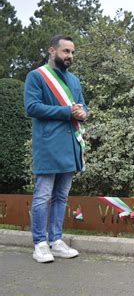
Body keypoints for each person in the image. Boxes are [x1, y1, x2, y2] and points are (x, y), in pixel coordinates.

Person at [24, 35, 87, 263]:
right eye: (65, 51)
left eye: (72, 52)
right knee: (43, 196)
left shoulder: (75, 81)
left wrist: (83, 113)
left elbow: (82, 106)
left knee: (61, 196)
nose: (69, 56)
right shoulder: (36, 76)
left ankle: (56, 241)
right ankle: (40, 244)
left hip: (70, 146)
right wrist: (66, 112)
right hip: (48, 145)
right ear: (52, 51)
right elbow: (31, 107)